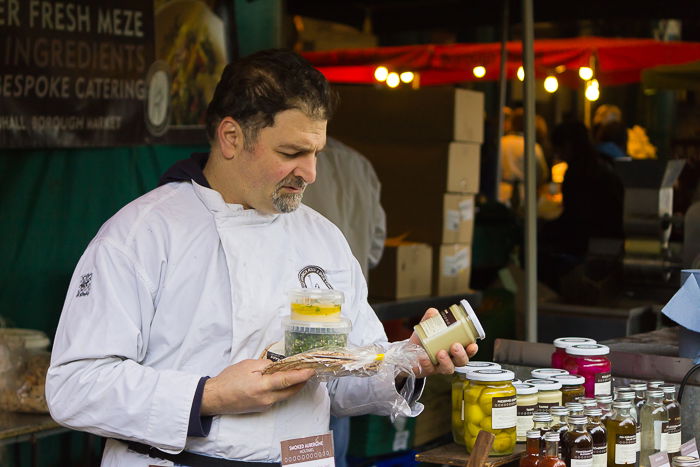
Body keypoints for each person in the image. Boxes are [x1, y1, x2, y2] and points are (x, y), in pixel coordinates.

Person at [46, 49, 477, 466]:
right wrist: (208, 395)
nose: (311, 173)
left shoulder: (323, 239)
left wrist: (404, 363)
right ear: (231, 137)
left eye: (316, 153)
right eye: (292, 153)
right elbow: (74, 387)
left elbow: (342, 383)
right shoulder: (142, 233)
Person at [302, 137, 386, 467]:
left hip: (309, 328)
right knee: (334, 441)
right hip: (351, 318)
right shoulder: (360, 164)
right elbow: (376, 247)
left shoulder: (289, 168)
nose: (308, 170)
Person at [499, 108, 549, 210]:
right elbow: (542, 175)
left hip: (500, 194)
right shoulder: (533, 147)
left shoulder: (501, 142)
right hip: (525, 196)